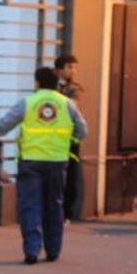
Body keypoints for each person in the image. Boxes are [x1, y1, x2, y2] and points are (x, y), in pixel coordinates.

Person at [0, 67, 88, 264]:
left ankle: (31, 251)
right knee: (54, 206)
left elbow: (5, 124)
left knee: (30, 206)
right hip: (57, 162)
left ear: (37, 83)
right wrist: (67, 140)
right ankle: (53, 251)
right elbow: (82, 130)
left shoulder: (28, 102)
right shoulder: (68, 104)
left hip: (31, 162)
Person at [54, 54, 85, 222]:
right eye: (69, 67)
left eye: (74, 67)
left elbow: (72, 106)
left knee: (71, 175)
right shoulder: (51, 87)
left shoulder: (75, 88)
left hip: (70, 138)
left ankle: (67, 213)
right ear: (59, 70)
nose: (73, 71)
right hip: (52, 139)